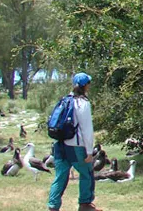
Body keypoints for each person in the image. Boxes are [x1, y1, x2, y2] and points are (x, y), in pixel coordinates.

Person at [47, 72, 103, 211]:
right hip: (75, 146)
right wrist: (89, 152)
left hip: (60, 144)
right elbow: (86, 129)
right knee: (86, 173)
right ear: (85, 85)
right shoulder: (82, 103)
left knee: (60, 177)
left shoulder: (65, 100)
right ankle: (85, 204)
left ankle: (53, 206)